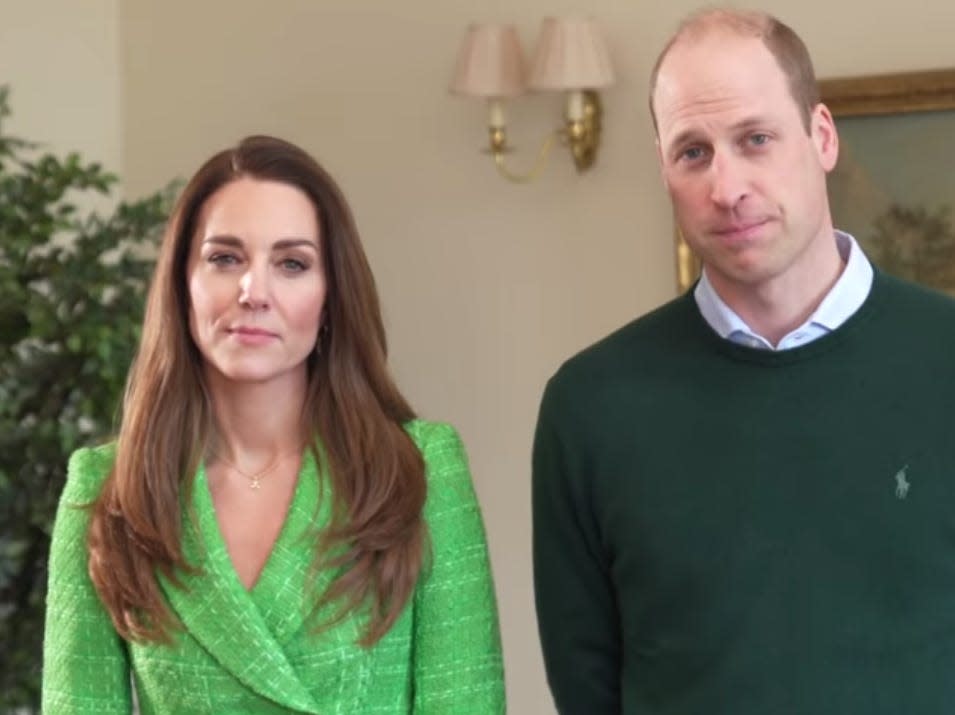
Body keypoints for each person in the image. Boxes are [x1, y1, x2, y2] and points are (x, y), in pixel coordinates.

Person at [533, 8, 955, 714]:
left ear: (821, 136)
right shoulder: (589, 406)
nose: (725, 188)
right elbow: (587, 689)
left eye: (754, 139)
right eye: (691, 152)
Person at [42, 135, 505, 714]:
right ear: (182, 286)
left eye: (292, 264)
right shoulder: (110, 489)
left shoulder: (417, 470)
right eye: (225, 258)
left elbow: (464, 702)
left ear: (331, 297)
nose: (253, 292)